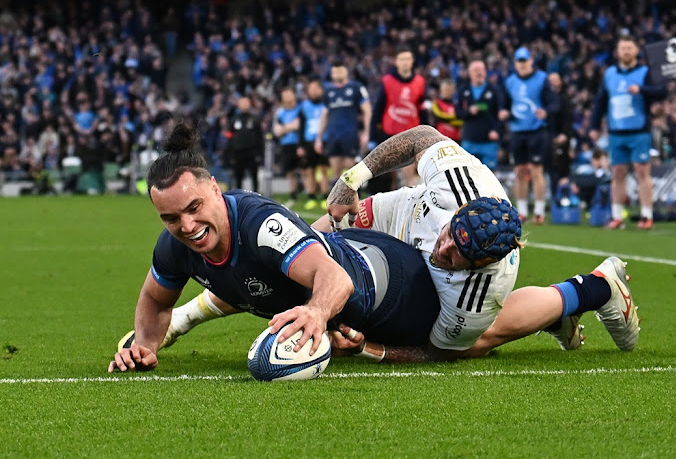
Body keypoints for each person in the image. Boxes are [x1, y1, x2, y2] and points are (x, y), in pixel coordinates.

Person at [108, 120, 441, 372]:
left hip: (393, 291)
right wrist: (146, 346)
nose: (187, 226)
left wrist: (316, 312)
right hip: (348, 287)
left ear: (213, 188)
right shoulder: (174, 246)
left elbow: (336, 279)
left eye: (194, 208)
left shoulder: (261, 225)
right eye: (170, 218)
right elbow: (154, 298)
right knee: (252, 279)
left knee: (459, 342)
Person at [322, 125, 639, 361]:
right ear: (460, 209)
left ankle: (592, 289)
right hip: (409, 211)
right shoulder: (456, 180)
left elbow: (436, 351)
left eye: (459, 255)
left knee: (477, 341)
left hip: (457, 297)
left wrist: (371, 350)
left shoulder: (478, 289)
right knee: (313, 243)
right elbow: (421, 137)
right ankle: (570, 305)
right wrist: (350, 181)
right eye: (450, 237)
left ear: (480, 265)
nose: (443, 250)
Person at [591, 34, 667, 230]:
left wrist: (641, 90)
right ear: (617, 52)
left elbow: (662, 91)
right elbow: (600, 101)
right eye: (622, 48)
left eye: (629, 48)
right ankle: (617, 216)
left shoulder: (644, 72)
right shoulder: (609, 74)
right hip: (616, 131)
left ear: (636, 51)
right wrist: (593, 126)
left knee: (642, 172)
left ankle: (646, 215)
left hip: (639, 130)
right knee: (617, 173)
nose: (625, 51)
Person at [499, 47, 560, 224]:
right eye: (519, 61)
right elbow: (505, 104)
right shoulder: (510, 82)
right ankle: (522, 210)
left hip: (537, 130)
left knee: (536, 170)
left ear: (531, 61)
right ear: (515, 63)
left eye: (525, 61)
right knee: (519, 170)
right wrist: (504, 113)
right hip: (518, 131)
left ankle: (539, 211)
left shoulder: (542, 79)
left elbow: (555, 102)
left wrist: (546, 111)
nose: (523, 64)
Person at [369, 47, 427, 191]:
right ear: (396, 62)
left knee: (409, 176)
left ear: (412, 61)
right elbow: (377, 110)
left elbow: (423, 110)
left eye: (408, 59)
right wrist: (372, 136)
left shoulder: (420, 82)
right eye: (402, 59)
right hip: (389, 134)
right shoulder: (387, 81)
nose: (405, 62)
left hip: (412, 135)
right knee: (389, 177)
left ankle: (409, 207)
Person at [315, 61, 371, 182]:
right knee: (335, 167)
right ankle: (337, 198)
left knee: (350, 166)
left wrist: (366, 132)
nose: (337, 74)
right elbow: (324, 115)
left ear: (346, 71)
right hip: (333, 135)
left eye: (340, 71)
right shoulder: (328, 91)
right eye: (334, 72)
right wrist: (319, 137)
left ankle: (352, 197)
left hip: (350, 134)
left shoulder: (356, 88)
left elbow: (367, 110)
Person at [455, 59, 504, 171]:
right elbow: (457, 113)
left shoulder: (494, 90)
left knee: (490, 175)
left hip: (489, 141)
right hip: (469, 140)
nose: (479, 73)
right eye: (476, 70)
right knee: (468, 174)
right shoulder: (463, 90)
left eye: (482, 70)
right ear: (470, 73)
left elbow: (501, 114)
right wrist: (468, 111)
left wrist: (496, 130)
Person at [298, 80, 329, 210]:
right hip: (308, 142)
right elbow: (301, 126)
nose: (314, 91)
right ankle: (311, 197)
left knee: (324, 170)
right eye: (311, 89)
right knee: (310, 170)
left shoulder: (326, 105)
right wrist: (300, 145)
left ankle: (324, 197)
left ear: (321, 90)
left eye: (316, 88)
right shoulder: (304, 106)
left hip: (325, 140)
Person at [226, 96, 264, 192]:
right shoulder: (234, 119)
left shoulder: (255, 119)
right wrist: (230, 153)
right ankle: (239, 195)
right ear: (238, 105)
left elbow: (260, 137)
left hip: (252, 152)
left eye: (246, 103)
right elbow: (229, 136)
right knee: (238, 175)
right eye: (242, 103)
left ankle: (256, 194)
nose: (244, 105)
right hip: (238, 152)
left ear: (250, 104)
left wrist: (260, 153)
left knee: (254, 175)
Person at [272, 87, 302, 207]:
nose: (288, 97)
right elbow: (277, 131)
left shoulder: (301, 109)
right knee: (290, 172)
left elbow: (299, 125)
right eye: (285, 95)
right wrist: (291, 127)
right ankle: (294, 196)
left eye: (289, 94)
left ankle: (313, 195)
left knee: (306, 170)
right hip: (286, 144)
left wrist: (284, 128)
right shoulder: (280, 112)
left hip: (300, 143)